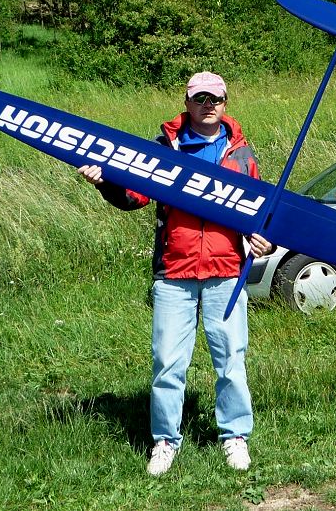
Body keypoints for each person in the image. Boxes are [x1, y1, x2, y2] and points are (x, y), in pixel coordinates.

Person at [78, 71, 272, 476]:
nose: (207, 105)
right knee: (167, 363)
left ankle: (235, 436)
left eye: (214, 99)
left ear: (225, 103)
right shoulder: (164, 149)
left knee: (231, 361)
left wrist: (263, 240)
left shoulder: (241, 154)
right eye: (199, 98)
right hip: (174, 272)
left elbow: (257, 213)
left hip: (226, 271)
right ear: (187, 103)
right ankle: (165, 441)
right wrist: (104, 183)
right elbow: (133, 196)